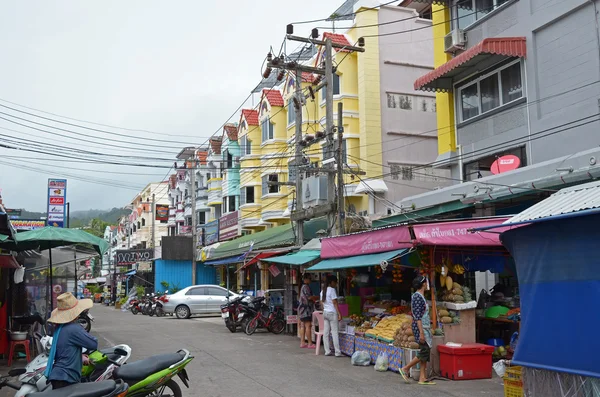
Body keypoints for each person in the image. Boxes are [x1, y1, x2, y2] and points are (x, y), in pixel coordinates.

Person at [45, 292, 98, 389]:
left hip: (58, 376)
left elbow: (64, 350)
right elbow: (93, 344)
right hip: (66, 378)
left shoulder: (59, 328)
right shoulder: (73, 329)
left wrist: (79, 356)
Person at [400, 275, 435, 385]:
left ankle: (422, 378)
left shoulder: (420, 296)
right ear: (423, 284)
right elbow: (417, 316)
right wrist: (421, 333)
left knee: (425, 351)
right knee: (424, 351)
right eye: (426, 282)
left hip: (424, 327)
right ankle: (405, 368)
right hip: (421, 328)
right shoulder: (417, 297)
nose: (427, 284)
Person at [321, 275, 343, 357]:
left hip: (325, 313)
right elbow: (335, 302)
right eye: (336, 282)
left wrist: (324, 310)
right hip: (332, 313)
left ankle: (327, 351)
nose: (336, 284)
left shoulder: (323, 290)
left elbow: (321, 303)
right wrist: (339, 313)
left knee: (326, 333)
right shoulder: (332, 290)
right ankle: (337, 352)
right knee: (334, 333)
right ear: (332, 282)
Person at [298, 274, 316, 349]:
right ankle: (310, 343)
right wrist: (317, 297)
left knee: (303, 326)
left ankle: (302, 342)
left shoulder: (302, 287)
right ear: (305, 279)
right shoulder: (306, 287)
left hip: (302, 309)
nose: (310, 280)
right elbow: (309, 297)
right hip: (306, 309)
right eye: (309, 278)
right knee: (308, 326)